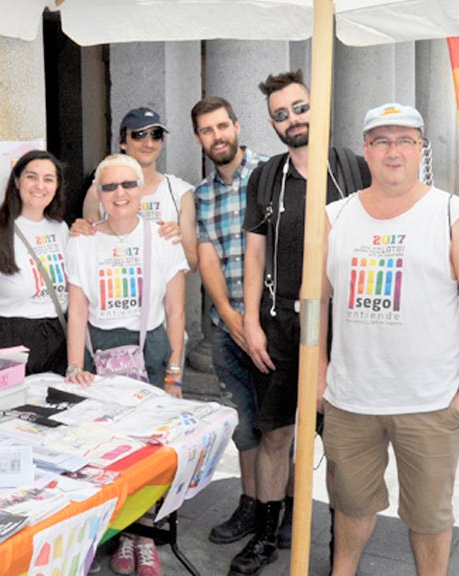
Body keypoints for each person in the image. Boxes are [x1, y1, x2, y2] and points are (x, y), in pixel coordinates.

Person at [320, 103, 459, 576]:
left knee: (428, 516)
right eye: (381, 140)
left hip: (429, 402)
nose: (393, 151)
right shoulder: (335, 217)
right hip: (351, 400)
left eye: (404, 140)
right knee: (350, 504)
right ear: (366, 151)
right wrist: (316, 380)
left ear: (420, 150)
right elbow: (314, 304)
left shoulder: (454, 213)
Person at [236, 70, 370, 576]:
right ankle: (267, 538)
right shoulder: (266, 176)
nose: (292, 119)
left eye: (299, 108)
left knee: (340, 442)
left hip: (346, 329)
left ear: (318, 107)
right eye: (280, 114)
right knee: (275, 435)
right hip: (281, 325)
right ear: (271, 124)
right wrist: (250, 321)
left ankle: (341, 548)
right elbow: (253, 254)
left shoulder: (354, 170)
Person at [65, 154, 188, 576]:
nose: (120, 194)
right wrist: (72, 365)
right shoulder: (81, 240)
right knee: (108, 449)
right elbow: (77, 310)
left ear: (141, 191)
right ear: (97, 195)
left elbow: (175, 310)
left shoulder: (165, 238)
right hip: (101, 349)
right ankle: (120, 533)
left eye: (128, 185)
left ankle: (146, 535)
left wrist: (175, 370)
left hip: (150, 349)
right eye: (109, 187)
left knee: (149, 448)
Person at [190, 97, 272, 546]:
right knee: (244, 424)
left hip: (273, 326)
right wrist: (229, 315)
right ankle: (252, 505)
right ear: (199, 139)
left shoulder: (270, 174)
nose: (217, 136)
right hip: (227, 330)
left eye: (222, 126)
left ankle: (282, 513)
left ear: (237, 127)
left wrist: (256, 320)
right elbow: (208, 258)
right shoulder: (202, 195)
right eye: (207, 130)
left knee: (277, 427)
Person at [0, 150, 69, 375]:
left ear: (57, 186)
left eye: (49, 179)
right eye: (31, 177)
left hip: (56, 339)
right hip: (6, 338)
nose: (40, 185)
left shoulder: (60, 228)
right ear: (17, 182)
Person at [82, 107, 198, 271]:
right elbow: (89, 255)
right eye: (139, 135)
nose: (149, 143)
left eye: (156, 135)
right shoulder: (98, 191)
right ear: (123, 142)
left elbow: (192, 263)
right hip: (116, 290)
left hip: (164, 295)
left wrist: (176, 239)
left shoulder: (180, 192)